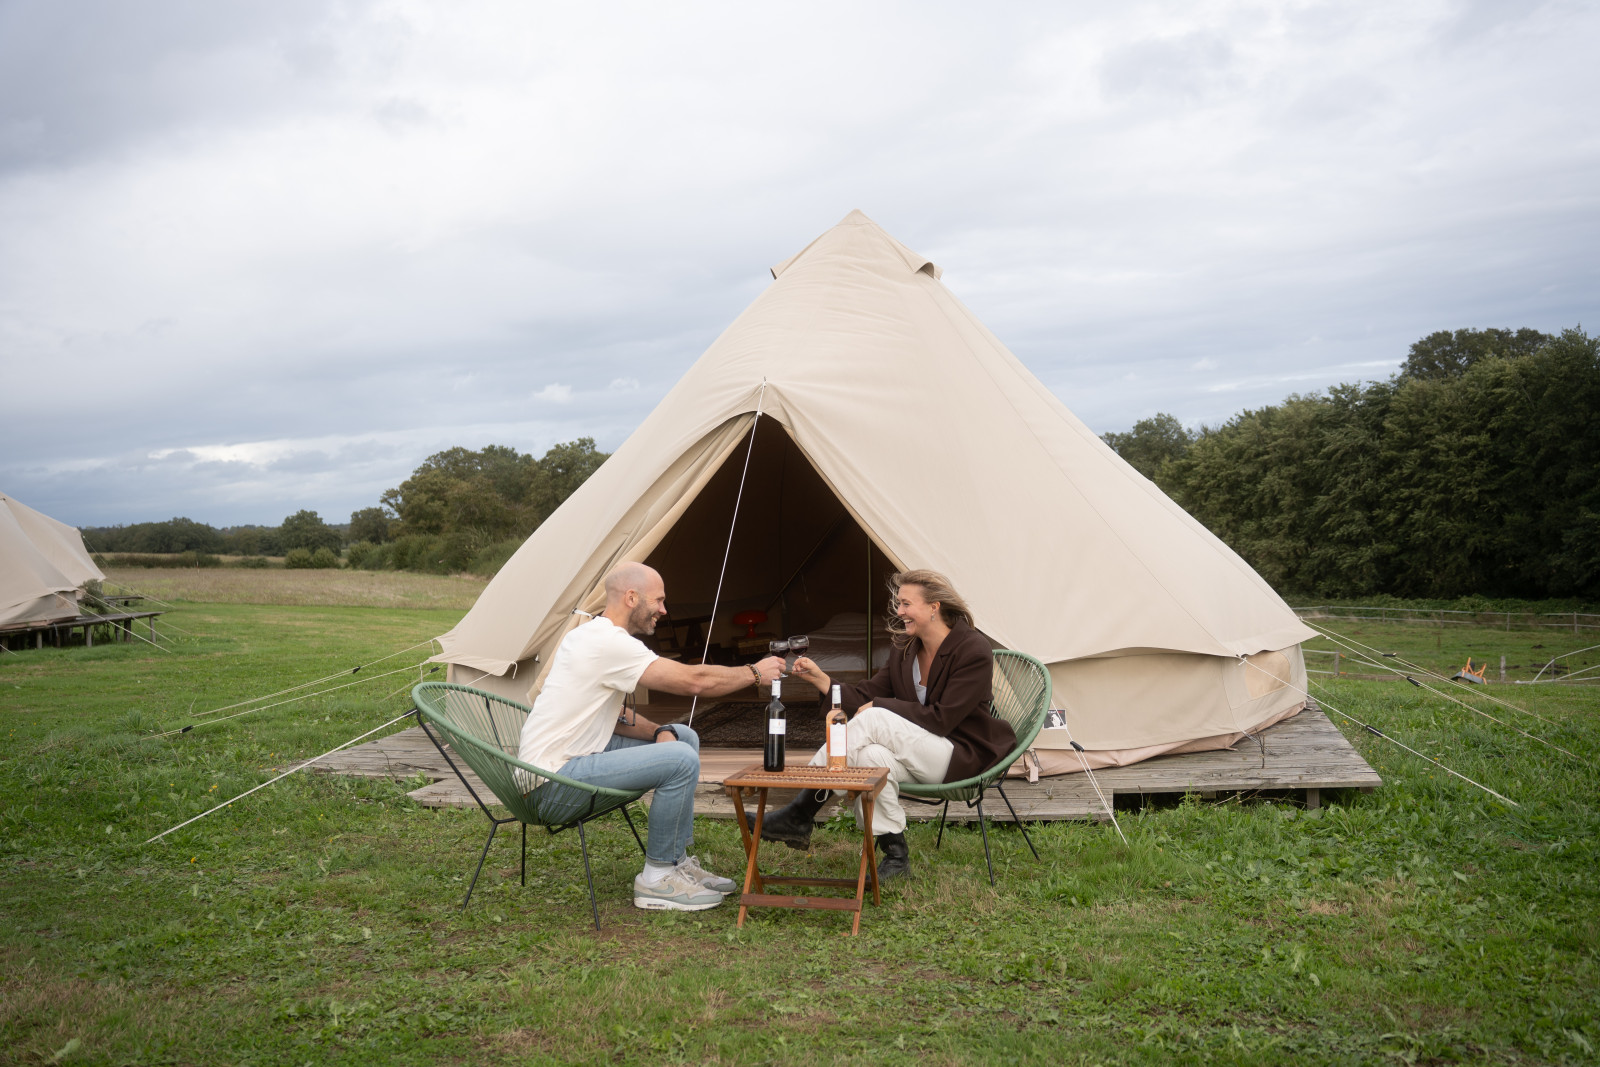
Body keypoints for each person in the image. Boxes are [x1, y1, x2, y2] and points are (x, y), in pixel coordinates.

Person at [518, 561, 785, 912]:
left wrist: (660, 731)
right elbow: (694, 681)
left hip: (572, 761)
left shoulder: (590, 634)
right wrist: (753, 672)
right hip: (550, 784)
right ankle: (656, 880)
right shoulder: (608, 644)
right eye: (658, 600)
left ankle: (676, 862)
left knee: (681, 737)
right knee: (680, 758)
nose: (663, 610)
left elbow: (614, 715)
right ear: (631, 597)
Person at [765, 570, 1015, 880]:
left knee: (875, 717)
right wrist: (821, 679)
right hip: (920, 755)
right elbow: (865, 696)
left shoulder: (972, 649)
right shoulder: (904, 649)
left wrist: (882, 706)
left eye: (906, 604)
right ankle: (895, 857)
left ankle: (801, 812)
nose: (899, 612)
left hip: (960, 755)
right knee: (870, 758)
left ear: (934, 607)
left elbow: (943, 719)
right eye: (899, 603)